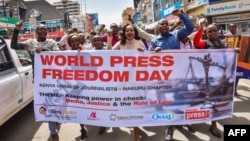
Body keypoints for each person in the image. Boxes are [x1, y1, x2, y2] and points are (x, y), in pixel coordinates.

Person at [148, 9, 194, 141]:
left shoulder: (176, 35)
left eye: (166, 24)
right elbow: (149, 58)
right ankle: (169, 129)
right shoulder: (154, 41)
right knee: (168, 103)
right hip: (163, 77)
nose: (164, 26)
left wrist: (181, 15)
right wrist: (154, 52)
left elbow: (190, 28)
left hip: (179, 74)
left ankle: (183, 121)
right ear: (158, 27)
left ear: (168, 27)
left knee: (181, 99)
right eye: (162, 24)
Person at [11, 20, 61, 141]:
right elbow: (14, 46)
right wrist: (16, 30)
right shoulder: (30, 43)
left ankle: (55, 121)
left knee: (54, 102)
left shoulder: (52, 42)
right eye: (40, 29)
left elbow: (59, 55)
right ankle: (53, 130)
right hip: (39, 79)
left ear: (47, 32)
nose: (43, 31)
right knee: (47, 103)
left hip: (53, 78)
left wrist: (43, 51)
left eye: (45, 29)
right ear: (36, 32)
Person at [193, 23, 228, 138]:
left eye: (214, 30)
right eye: (210, 31)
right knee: (212, 100)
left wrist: (235, 50)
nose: (213, 33)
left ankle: (214, 120)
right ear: (206, 34)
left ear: (218, 31)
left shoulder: (223, 43)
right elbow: (196, 43)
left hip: (222, 76)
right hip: (210, 77)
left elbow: (228, 56)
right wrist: (200, 29)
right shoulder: (205, 44)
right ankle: (213, 125)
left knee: (218, 100)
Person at [112, 23, 145, 141]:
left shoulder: (140, 43)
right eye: (127, 31)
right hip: (124, 80)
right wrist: (110, 38)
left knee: (135, 104)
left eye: (131, 30)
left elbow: (147, 58)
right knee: (128, 104)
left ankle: (136, 129)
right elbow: (107, 54)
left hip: (136, 79)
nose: (130, 32)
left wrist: (144, 52)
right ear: (124, 33)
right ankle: (136, 130)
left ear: (134, 32)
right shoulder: (120, 44)